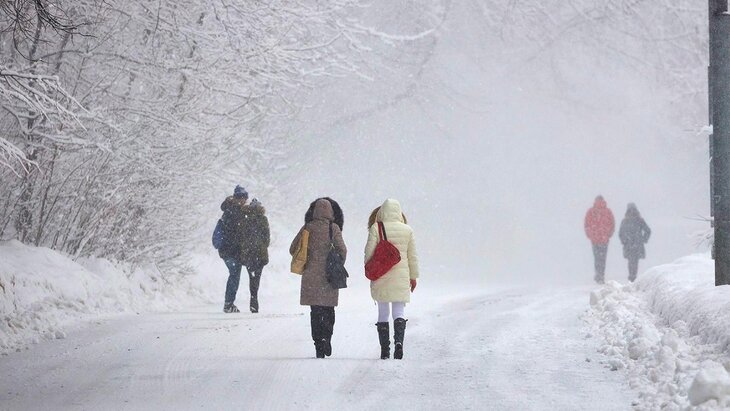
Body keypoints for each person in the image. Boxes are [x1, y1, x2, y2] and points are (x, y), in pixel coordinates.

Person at [290, 198, 347, 358]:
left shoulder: (307, 228)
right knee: (329, 310)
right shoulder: (333, 228)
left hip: (311, 276)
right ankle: (326, 338)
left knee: (315, 312)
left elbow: (293, 248)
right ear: (330, 212)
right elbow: (342, 250)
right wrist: (336, 264)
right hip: (330, 277)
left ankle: (318, 345)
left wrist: (307, 256)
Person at [365, 199, 419, 360]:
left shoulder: (376, 228)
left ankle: (384, 350)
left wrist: (370, 268)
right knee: (399, 312)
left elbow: (369, 252)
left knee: (383, 312)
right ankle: (399, 343)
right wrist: (413, 277)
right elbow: (412, 256)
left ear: (382, 211)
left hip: (381, 274)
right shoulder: (407, 230)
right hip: (401, 277)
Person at [238, 198, 270, 313]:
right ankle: (254, 298)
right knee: (257, 276)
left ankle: (253, 297)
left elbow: (241, 236)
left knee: (251, 277)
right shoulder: (263, 219)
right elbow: (267, 238)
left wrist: (245, 247)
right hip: (260, 254)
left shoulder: (245, 219)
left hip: (248, 253)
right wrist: (262, 246)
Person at [584, 195, 615, 284]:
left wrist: (590, 235)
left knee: (597, 258)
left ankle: (598, 274)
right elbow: (612, 224)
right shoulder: (608, 211)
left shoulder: (591, 211)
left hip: (595, 239)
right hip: (604, 239)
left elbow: (586, 225)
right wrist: (608, 234)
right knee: (603, 258)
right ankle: (601, 275)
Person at [619, 203, 651, 282]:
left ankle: (631, 276)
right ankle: (633, 276)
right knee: (635, 261)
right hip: (637, 244)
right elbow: (648, 230)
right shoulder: (639, 220)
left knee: (630, 261)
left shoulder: (625, 220)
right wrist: (644, 239)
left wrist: (624, 241)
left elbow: (621, 233)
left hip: (628, 244)